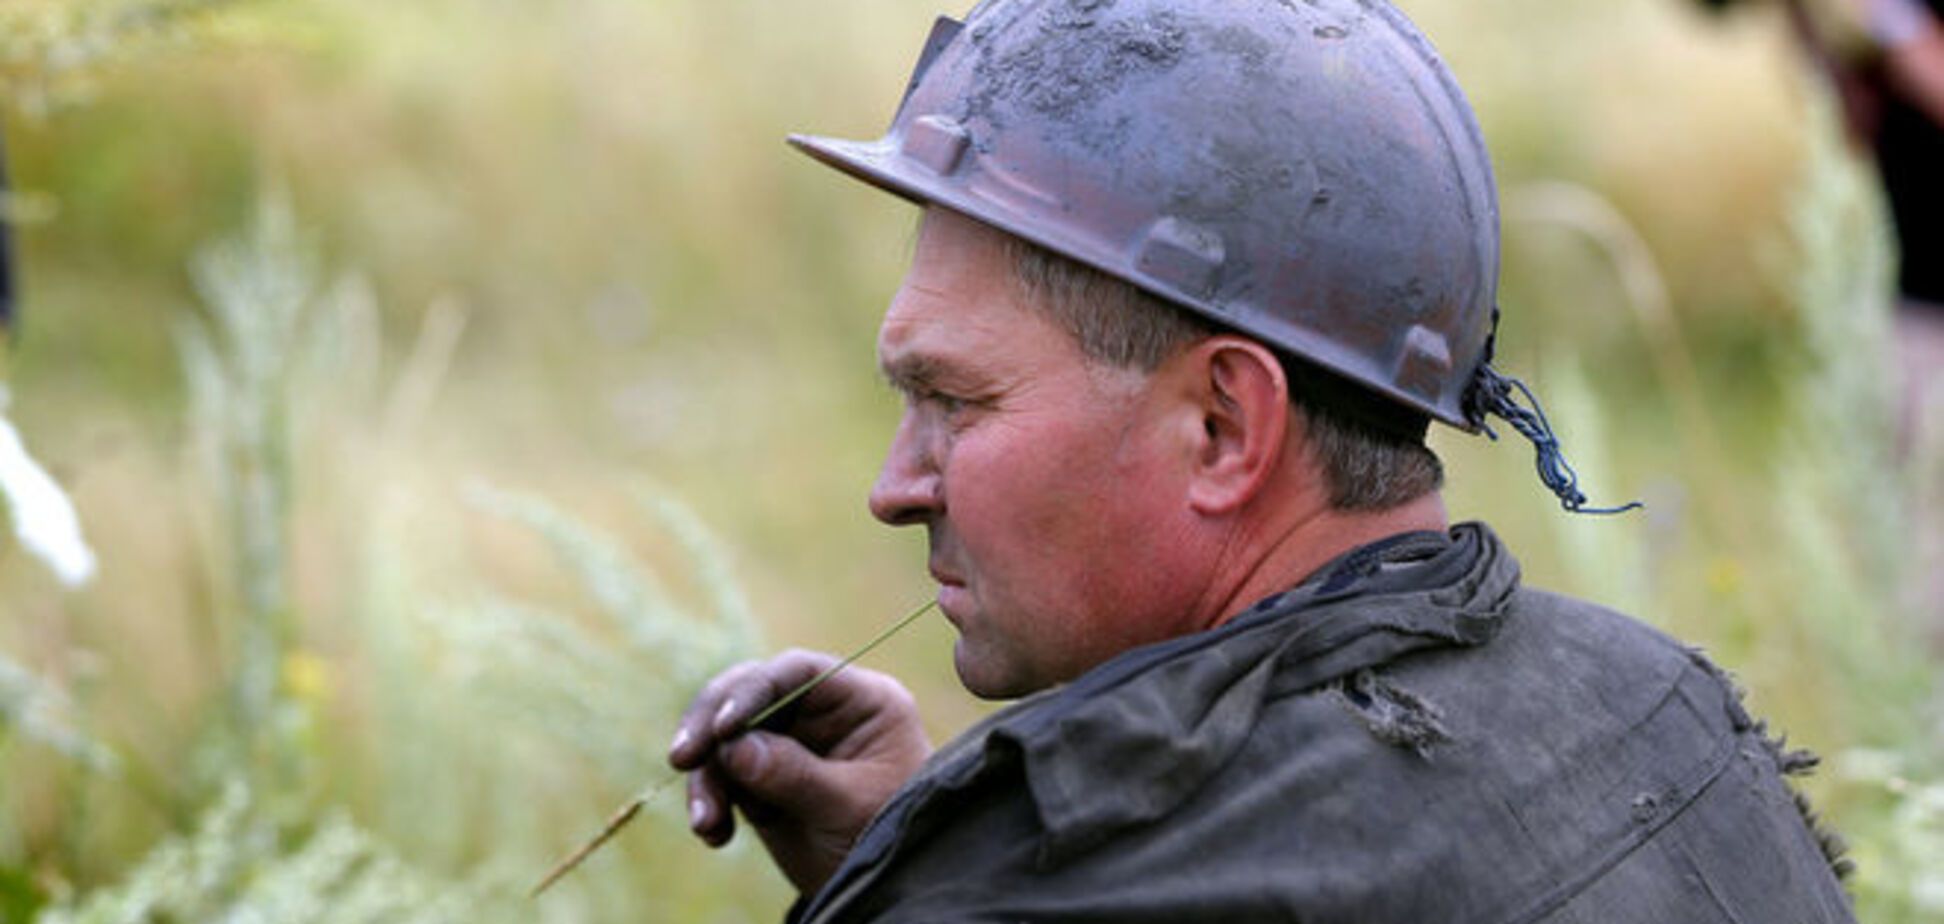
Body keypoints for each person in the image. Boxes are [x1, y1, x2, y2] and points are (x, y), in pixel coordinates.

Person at [667, 1, 1859, 919]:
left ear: (1226, 429)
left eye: (953, 401)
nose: (894, 488)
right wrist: (903, 850)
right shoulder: (1658, 704)